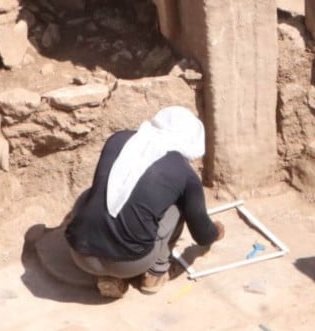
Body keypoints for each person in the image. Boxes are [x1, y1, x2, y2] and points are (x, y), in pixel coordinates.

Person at [65, 106, 225, 298]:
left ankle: (108, 278)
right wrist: (216, 232)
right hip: (131, 263)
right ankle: (155, 274)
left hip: (80, 255)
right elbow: (202, 234)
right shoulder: (184, 173)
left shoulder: (118, 140)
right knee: (179, 205)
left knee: (92, 194)